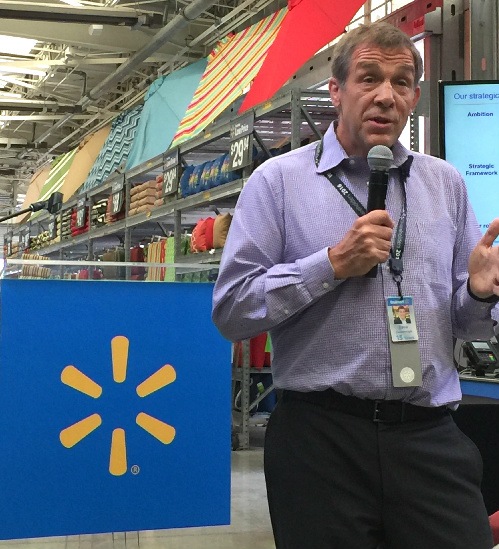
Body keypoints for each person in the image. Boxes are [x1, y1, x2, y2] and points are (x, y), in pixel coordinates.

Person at [212, 20, 499, 549]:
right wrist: (329, 265)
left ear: (414, 95)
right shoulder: (277, 183)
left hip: (428, 435)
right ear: (336, 90)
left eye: (402, 82)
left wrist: (479, 294)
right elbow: (232, 309)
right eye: (369, 78)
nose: (386, 96)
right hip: (322, 441)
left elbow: (464, 320)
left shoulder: (445, 184)